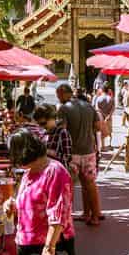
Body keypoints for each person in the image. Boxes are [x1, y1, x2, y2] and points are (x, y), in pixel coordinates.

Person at [58, 83, 101, 225]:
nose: (58, 98)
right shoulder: (88, 106)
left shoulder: (64, 109)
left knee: (67, 185)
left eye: (58, 95)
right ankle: (92, 215)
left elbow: (62, 130)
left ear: (64, 93)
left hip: (73, 153)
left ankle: (66, 218)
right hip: (89, 151)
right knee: (89, 183)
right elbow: (98, 127)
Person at [38, 104, 71, 168]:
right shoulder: (43, 134)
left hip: (59, 173)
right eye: (39, 124)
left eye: (43, 123)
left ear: (52, 118)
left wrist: (50, 152)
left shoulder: (62, 132)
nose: (42, 126)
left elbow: (67, 157)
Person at [93, 85, 115, 152]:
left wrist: (103, 115)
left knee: (101, 132)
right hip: (108, 118)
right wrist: (108, 115)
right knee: (109, 131)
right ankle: (109, 144)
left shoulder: (99, 98)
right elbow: (113, 108)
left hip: (101, 117)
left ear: (102, 90)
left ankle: (102, 146)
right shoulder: (111, 98)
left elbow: (97, 109)